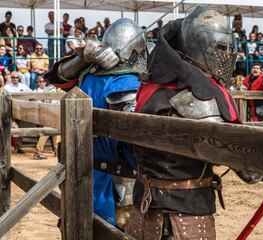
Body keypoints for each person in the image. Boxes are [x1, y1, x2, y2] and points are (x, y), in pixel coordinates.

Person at [125, 7, 245, 239]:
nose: (227, 55)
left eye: (230, 48)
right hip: (183, 221)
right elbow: (245, 166)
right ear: (198, 47)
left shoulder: (150, 87)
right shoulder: (200, 100)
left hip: (143, 212)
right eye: (221, 48)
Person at [45, 18, 146, 228]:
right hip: (117, 179)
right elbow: (133, 142)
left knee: (81, 223)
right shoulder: (128, 82)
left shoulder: (86, 75)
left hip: (81, 167)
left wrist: (83, 57)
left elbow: (58, 76)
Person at [33, 76, 60, 160]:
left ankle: (57, 150)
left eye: (43, 81)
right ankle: (38, 151)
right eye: (40, 81)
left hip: (54, 112)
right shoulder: (49, 89)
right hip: (48, 113)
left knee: (56, 132)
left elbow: (55, 102)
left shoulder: (52, 89)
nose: (42, 83)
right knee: (47, 132)